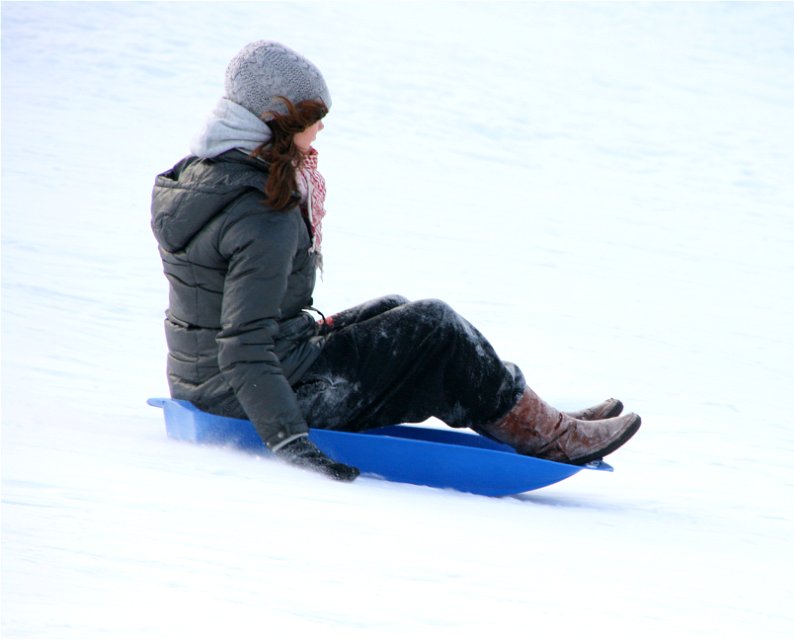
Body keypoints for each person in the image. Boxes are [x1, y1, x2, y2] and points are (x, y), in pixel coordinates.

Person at [150, 40, 641, 482]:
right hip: (253, 395)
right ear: (276, 120)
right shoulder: (264, 212)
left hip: (207, 379)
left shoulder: (207, 175)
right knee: (437, 328)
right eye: (311, 116)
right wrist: (289, 442)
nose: (321, 126)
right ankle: (548, 435)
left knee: (396, 309)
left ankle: (532, 413)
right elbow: (244, 345)